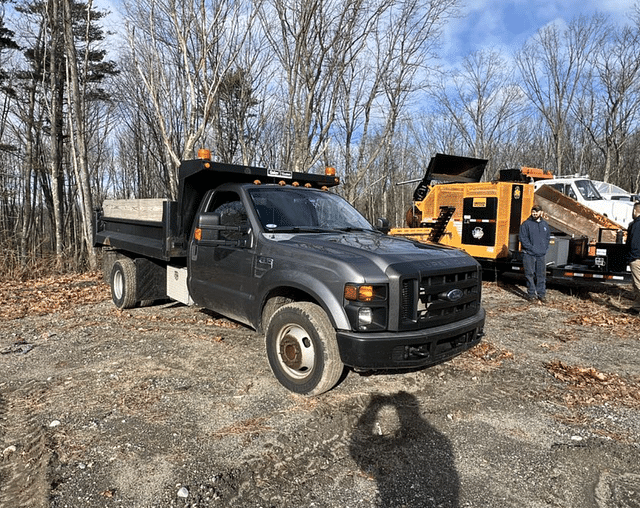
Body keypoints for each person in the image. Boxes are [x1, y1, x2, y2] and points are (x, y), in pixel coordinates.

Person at [519, 205, 551, 303]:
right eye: (533, 212)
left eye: (536, 212)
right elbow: (522, 239)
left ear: (541, 212)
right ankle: (531, 294)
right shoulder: (525, 224)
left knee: (541, 275)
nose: (534, 213)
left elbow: (547, 238)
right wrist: (531, 249)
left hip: (541, 254)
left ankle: (541, 294)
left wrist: (544, 248)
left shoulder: (545, 225)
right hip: (529, 254)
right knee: (529, 274)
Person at [626, 202, 640, 314]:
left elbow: (634, 243)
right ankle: (637, 307)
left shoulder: (636, 225)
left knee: (638, 284)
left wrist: (632, 258)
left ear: (635, 211)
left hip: (637, 258)